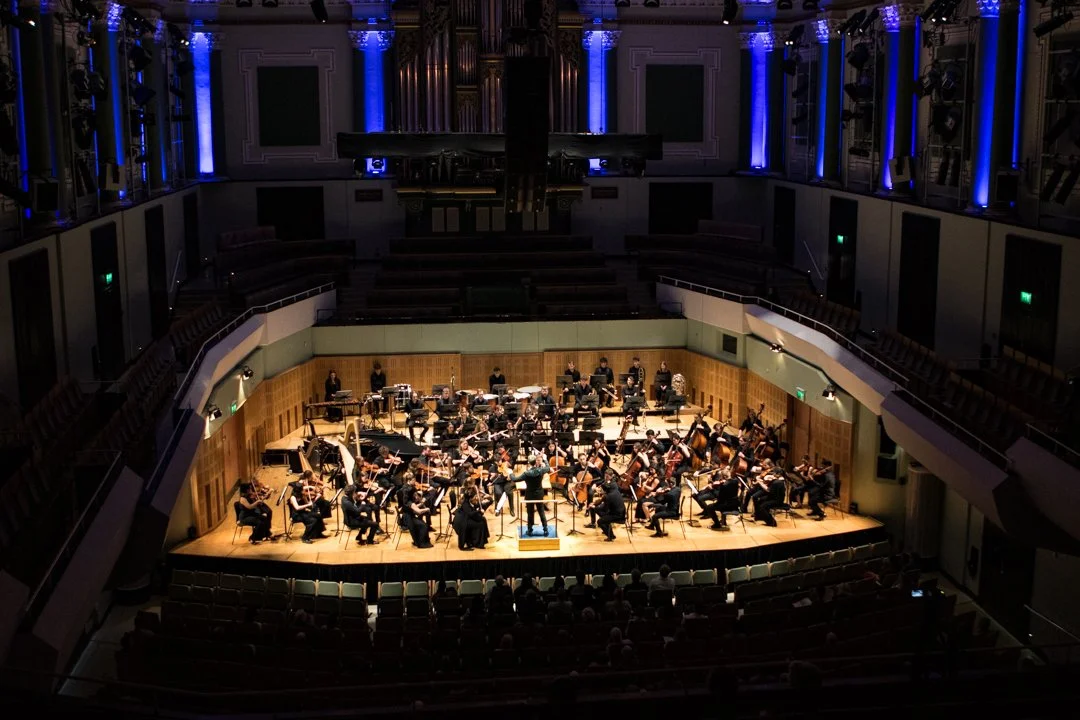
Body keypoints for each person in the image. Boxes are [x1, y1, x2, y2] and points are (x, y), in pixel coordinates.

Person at [508, 454, 550, 536]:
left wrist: (511, 473)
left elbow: (515, 479)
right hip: (539, 494)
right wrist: (545, 459)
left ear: (529, 463)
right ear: (536, 462)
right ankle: (545, 530)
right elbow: (548, 467)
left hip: (530, 495)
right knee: (541, 512)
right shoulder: (541, 470)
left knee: (530, 513)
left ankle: (530, 530)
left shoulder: (526, 473)